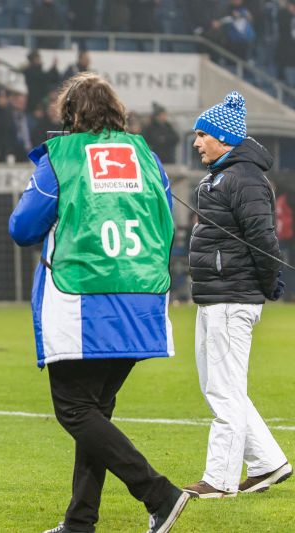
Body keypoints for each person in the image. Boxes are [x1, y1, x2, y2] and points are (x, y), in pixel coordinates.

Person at [9, 72, 188, 533]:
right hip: (143, 297)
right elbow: (165, 218)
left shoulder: (62, 156)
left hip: (84, 300)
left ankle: (159, 494)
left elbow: (22, 228)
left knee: (74, 410)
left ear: (70, 115)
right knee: (95, 413)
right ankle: (80, 521)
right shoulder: (147, 156)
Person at [184, 91, 291, 498]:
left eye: (201, 135)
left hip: (232, 299)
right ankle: (268, 464)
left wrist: (270, 282)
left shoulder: (242, 177)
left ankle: (220, 480)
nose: (196, 143)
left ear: (222, 138)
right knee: (219, 385)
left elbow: (264, 237)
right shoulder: (224, 175)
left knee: (223, 391)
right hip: (217, 297)